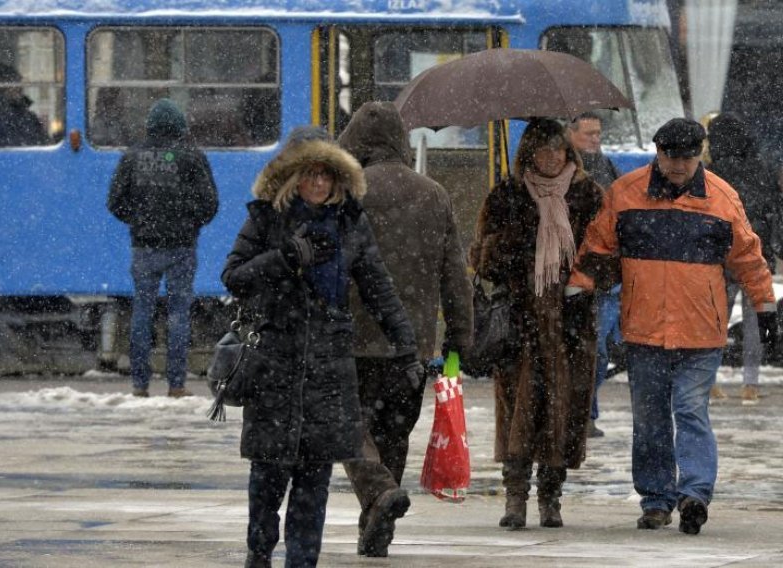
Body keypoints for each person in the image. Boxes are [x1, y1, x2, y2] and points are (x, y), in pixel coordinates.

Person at [220, 126, 422, 568]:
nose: (318, 184)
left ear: (338, 179)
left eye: (326, 175)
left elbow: (379, 289)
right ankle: (259, 551)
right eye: (309, 174)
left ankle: (302, 562)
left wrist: (407, 347)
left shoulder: (351, 223)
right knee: (268, 480)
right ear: (292, 177)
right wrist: (286, 257)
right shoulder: (266, 219)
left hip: (329, 371)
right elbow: (234, 277)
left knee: (314, 485)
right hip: (275, 365)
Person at [567, 117, 777, 535]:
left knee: (688, 409)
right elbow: (597, 245)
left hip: (701, 333)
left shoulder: (721, 198)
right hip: (645, 329)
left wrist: (766, 306)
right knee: (650, 419)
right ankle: (658, 499)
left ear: (700, 154)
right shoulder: (625, 195)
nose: (679, 165)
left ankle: (694, 493)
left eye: (687, 157)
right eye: (671, 156)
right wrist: (577, 291)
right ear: (657, 152)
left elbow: (748, 257)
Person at [337, 101, 474, 557]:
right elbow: (455, 275)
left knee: (348, 426)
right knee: (394, 432)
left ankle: (377, 496)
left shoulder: (347, 191)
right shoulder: (433, 194)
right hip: (410, 344)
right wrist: (460, 337)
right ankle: (378, 525)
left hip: (352, 336)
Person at [469, 118, 603, 530]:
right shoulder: (506, 196)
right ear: (528, 154)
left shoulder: (587, 195)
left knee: (564, 411)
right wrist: (511, 238)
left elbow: (607, 252)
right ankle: (514, 498)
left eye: (558, 150)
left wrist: (583, 281)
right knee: (516, 410)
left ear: (569, 153)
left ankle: (551, 496)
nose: (551, 157)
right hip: (520, 324)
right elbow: (483, 261)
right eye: (542, 150)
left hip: (571, 324)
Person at [107, 98, 218, 398]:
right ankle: (177, 384)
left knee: (142, 312)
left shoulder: (133, 156)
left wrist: (139, 221)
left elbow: (115, 201)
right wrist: (190, 224)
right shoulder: (191, 156)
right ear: (179, 126)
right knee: (178, 314)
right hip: (182, 246)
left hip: (143, 246)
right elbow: (210, 203)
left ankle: (140, 384)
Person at [707, 112, 781, 405]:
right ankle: (750, 383)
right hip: (754, 254)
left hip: (721, 256)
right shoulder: (761, 168)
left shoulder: (712, 172)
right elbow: (772, 210)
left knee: (716, 320)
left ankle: (710, 379)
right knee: (755, 320)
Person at [567, 112, 623, 437]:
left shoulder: (606, 167)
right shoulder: (567, 171)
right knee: (585, 347)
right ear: (571, 134)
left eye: (598, 134)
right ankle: (581, 411)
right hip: (577, 274)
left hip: (603, 275)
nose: (595, 139)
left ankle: (587, 411)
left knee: (597, 349)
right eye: (589, 134)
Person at [0, 62, 49, 146]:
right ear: (2, 87)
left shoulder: (26, 115)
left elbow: (44, 142)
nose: (20, 88)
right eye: (15, 83)